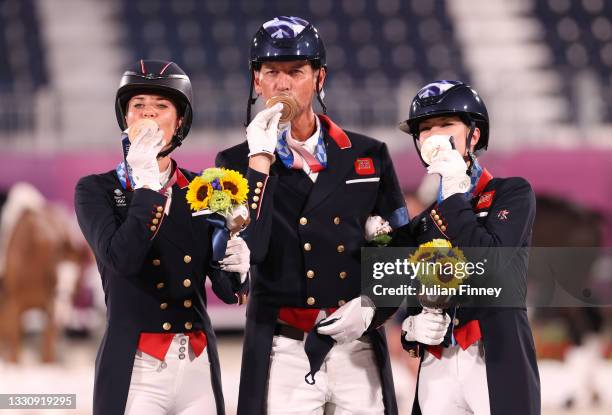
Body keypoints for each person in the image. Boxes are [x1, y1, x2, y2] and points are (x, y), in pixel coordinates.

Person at [216, 16, 408, 415]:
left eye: (295, 72)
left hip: (357, 344)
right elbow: (246, 253)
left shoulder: (368, 155)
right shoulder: (232, 163)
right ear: (257, 81)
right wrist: (259, 163)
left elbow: (401, 247)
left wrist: (376, 304)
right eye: (271, 72)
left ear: (319, 78)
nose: (282, 84)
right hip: (282, 350)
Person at [74, 60, 250, 415]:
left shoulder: (208, 188)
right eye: (138, 106)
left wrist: (240, 267)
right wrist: (146, 186)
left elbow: (229, 291)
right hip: (136, 367)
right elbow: (123, 258)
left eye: (161, 106)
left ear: (179, 120)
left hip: (197, 362)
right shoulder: (96, 190)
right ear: (125, 119)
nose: (149, 116)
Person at [393, 80, 540, 414]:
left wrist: (456, 197)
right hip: (437, 365)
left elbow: (487, 263)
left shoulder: (512, 193)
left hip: (495, 355)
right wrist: (411, 328)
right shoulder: (428, 217)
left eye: (446, 124)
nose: (433, 136)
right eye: (425, 129)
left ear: (474, 135)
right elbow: (402, 283)